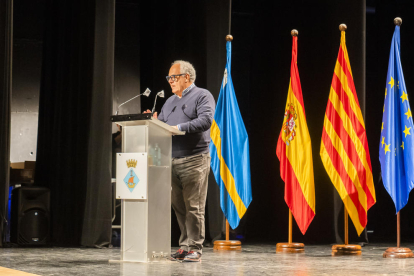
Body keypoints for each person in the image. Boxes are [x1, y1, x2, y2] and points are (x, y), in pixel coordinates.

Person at [145, 60, 215, 262]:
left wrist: (178, 128)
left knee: (194, 206)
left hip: (195, 159)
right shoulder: (169, 101)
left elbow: (205, 121)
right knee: (179, 207)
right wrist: (154, 122)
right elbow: (164, 127)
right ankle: (184, 247)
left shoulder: (202, 95)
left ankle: (195, 248)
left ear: (187, 77)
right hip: (171, 159)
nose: (170, 81)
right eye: (168, 78)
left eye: (173, 77)